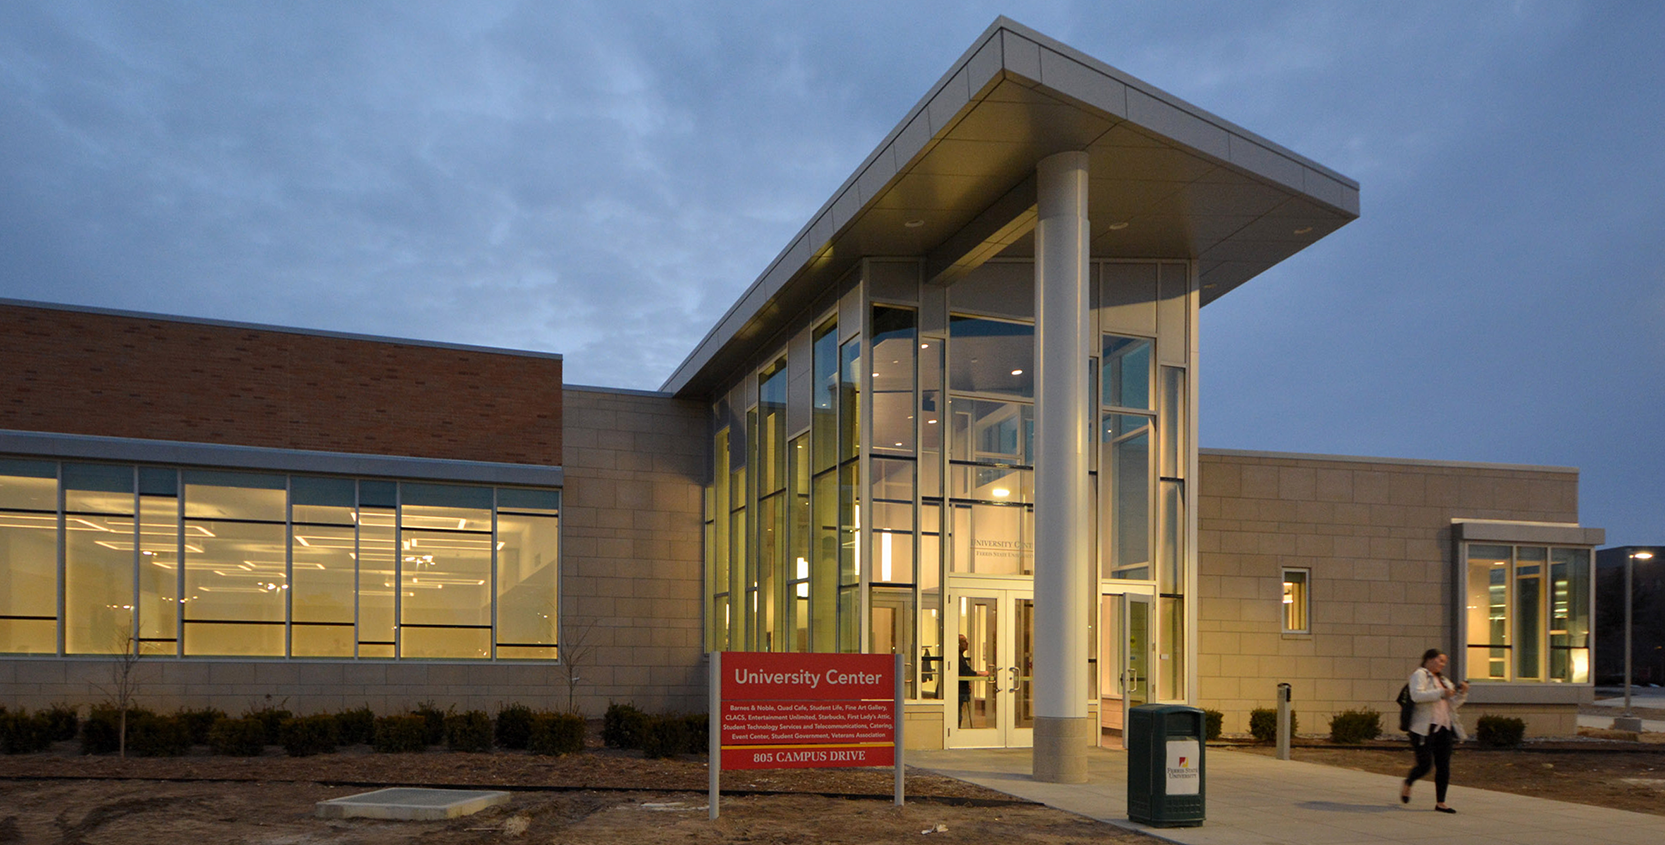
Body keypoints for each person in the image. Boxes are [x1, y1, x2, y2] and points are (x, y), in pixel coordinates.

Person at [1401, 648, 1468, 813]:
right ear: (1429, 659)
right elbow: (1416, 695)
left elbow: (1452, 703)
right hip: (1424, 728)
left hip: (1444, 727)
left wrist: (1461, 694)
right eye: (1440, 660)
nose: (1442, 664)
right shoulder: (1420, 674)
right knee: (1425, 765)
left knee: (1444, 765)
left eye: (1444, 661)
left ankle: (1441, 802)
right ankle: (1409, 782)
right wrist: (1440, 692)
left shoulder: (1443, 680)